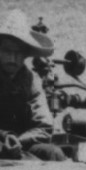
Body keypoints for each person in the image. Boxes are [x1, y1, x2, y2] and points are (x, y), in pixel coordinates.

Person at [0, 9, 65, 161]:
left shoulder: (31, 81)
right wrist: (5, 136)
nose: (13, 58)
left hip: (22, 143)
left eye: (19, 52)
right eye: (7, 51)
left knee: (53, 153)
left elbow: (44, 127)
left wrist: (19, 141)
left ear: (26, 54)